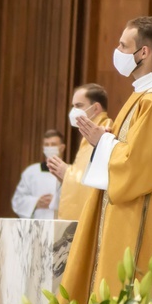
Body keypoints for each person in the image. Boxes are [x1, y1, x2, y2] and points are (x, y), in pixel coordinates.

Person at [60, 16, 152, 304]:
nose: (116, 50)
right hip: (124, 213)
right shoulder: (142, 95)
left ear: (143, 52)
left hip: (138, 217)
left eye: (122, 45)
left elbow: (141, 167)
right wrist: (107, 139)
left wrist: (101, 143)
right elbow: (131, 148)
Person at [47, 84, 113, 221]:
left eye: (78, 106)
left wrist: (67, 174)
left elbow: (101, 184)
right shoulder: (86, 139)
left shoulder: (106, 133)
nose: (73, 111)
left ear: (96, 108)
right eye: (73, 106)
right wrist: (64, 178)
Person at [11, 130, 64, 219]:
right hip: (36, 225)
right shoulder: (31, 172)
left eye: (53, 144)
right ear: (43, 148)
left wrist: (55, 201)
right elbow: (17, 201)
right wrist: (36, 202)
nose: (49, 147)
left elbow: (75, 201)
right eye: (47, 145)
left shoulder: (70, 172)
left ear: (62, 148)